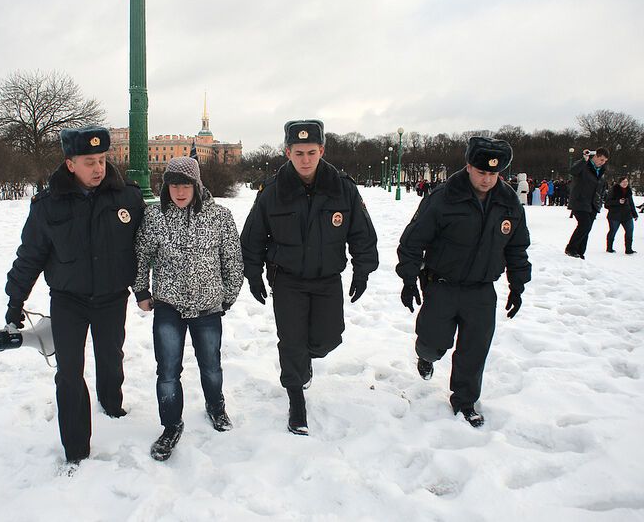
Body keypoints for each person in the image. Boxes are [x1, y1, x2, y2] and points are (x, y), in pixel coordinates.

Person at [3, 126, 145, 467]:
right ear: (70, 164)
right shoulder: (48, 206)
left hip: (112, 298)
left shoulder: (127, 197)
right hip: (69, 300)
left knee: (111, 358)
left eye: (101, 159)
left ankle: (111, 405)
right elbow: (30, 256)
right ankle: (76, 448)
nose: (97, 168)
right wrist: (15, 301)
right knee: (69, 372)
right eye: (88, 162)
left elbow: (147, 246)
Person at [240, 119, 379, 436]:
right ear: (287, 152)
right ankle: (296, 399)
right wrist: (254, 274)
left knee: (328, 338)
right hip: (287, 279)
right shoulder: (272, 192)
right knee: (291, 343)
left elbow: (361, 233)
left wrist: (362, 269)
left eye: (311, 152)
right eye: (299, 152)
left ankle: (307, 359)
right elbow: (252, 238)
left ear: (322, 151)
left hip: (327, 278)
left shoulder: (342, 188)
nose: (305, 159)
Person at [396, 136, 531, 428]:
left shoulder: (509, 204)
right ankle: (426, 356)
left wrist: (517, 286)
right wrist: (408, 279)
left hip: (481, 290)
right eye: (482, 172)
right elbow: (412, 240)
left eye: (493, 174)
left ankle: (465, 400)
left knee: (474, 348)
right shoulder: (443, 197)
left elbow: (517, 248)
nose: (487, 179)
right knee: (434, 342)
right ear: (469, 166)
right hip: (442, 284)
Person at [134, 157, 243, 461]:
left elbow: (232, 259)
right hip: (168, 306)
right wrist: (142, 291)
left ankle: (216, 406)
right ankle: (170, 425)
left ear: (196, 186)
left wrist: (228, 295)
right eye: (173, 185)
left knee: (211, 365)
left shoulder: (219, 216)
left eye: (185, 185)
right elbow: (142, 255)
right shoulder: (155, 217)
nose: (179, 192)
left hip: (208, 306)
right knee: (168, 371)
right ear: (165, 187)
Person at [565, 148, 609, 259]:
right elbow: (573, 171)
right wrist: (584, 160)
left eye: (605, 161)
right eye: (601, 159)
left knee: (587, 228)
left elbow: (602, 187)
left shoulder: (602, 171)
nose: (602, 162)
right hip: (579, 201)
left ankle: (580, 251)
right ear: (595, 156)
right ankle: (571, 248)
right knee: (585, 225)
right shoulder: (584, 165)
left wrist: (600, 198)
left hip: (593, 204)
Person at [605, 175, 638, 254]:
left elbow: (631, 203)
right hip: (615, 215)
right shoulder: (613, 190)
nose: (625, 183)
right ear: (619, 183)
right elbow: (607, 204)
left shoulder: (628, 191)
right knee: (613, 231)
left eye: (626, 182)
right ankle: (609, 248)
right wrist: (618, 202)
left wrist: (634, 214)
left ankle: (628, 249)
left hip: (627, 215)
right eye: (623, 182)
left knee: (630, 231)